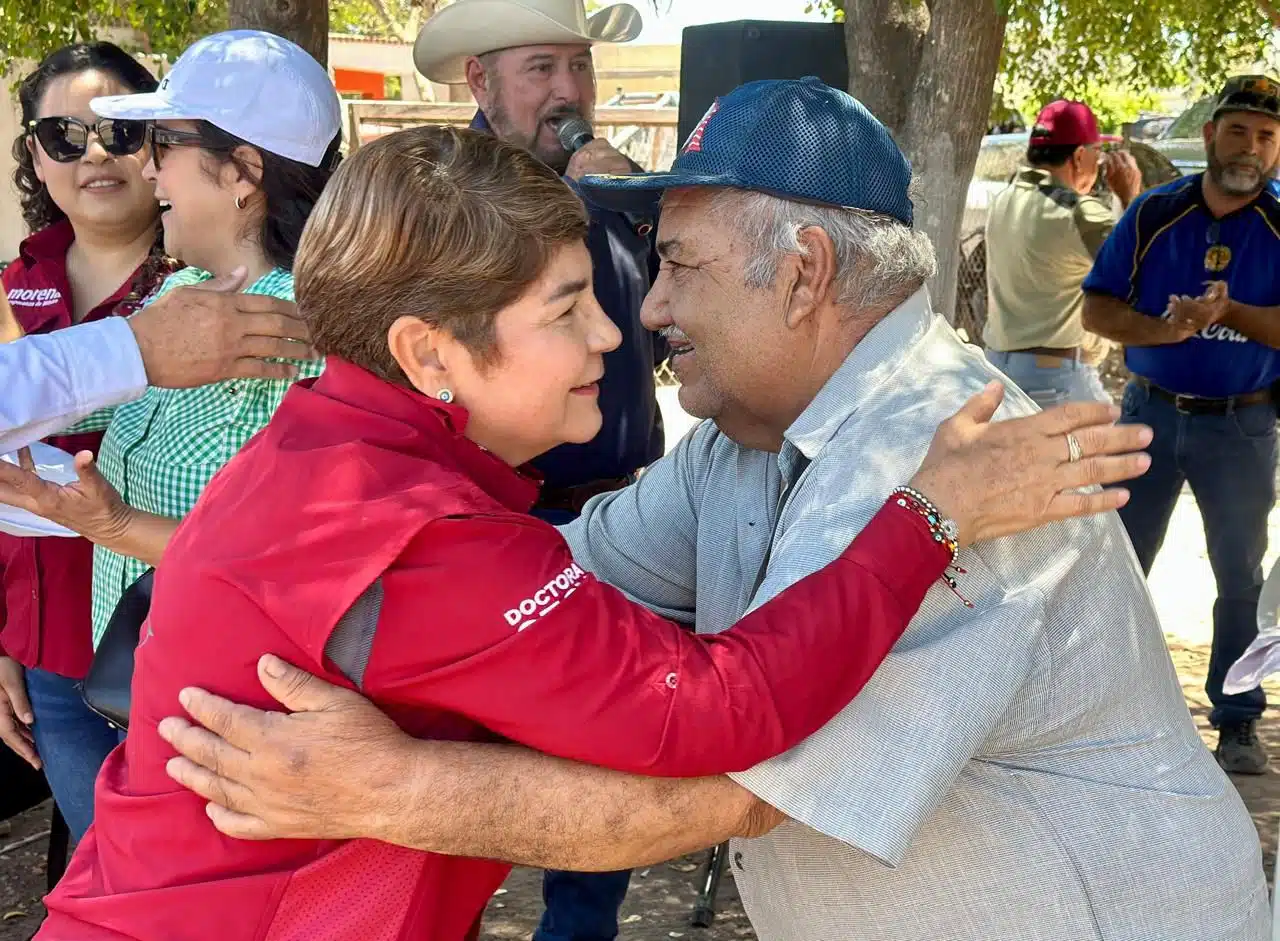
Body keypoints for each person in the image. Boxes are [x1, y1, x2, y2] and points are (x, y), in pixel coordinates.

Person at [157, 78, 1266, 941]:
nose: (646, 313)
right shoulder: (747, 438)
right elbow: (553, 581)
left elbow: (727, 793)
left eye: (674, 263)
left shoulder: (957, 460)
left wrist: (390, 788)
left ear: (804, 273)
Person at [414, 1, 660, 931]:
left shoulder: (609, 184)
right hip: (496, 521)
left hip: (625, 520)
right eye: (540, 69)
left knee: (611, 755)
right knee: (458, 766)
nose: (568, 92)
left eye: (579, 67)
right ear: (479, 82)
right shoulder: (448, 197)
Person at [0, 31, 339, 663]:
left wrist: (118, 528)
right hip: (140, 694)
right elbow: (49, 398)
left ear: (243, 171)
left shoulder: (305, 322)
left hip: (223, 716)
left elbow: (302, 560)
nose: (147, 168)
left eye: (163, 144)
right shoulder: (181, 294)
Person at [0, 42, 181, 843]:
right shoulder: (10, 286)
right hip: (47, 663)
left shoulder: (212, 286)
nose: (95, 154)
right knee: (101, 884)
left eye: (119, 131)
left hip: (175, 648)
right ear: (37, 158)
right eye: (64, 136)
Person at [1082, 74, 1280, 776]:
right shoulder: (1154, 214)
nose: (1250, 147)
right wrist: (1165, 331)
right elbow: (1097, 310)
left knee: (1240, 576)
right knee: (1121, 565)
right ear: (1209, 135)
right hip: (1152, 416)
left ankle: (1235, 720)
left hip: (1243, 430)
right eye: (1237, 130)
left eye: (1265, 135)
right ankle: (1106, 710)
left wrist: (1229, 314)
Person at [983, 99, 1143, 408]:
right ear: (1079, 156)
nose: (1099, 165)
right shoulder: (1076, 212)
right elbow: (1138, 270)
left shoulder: (1004, 200)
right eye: (1097, 154)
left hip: (998, 370)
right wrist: (1129, 198)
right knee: (1128, 451)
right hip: (1054, 379)